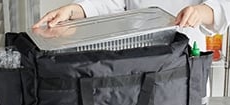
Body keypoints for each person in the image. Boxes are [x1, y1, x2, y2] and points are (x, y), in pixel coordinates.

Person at [32, 0, 230, 49]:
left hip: (183, 57)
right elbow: (113, 2)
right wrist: (73, 9)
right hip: (137, 57)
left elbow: (224, 5)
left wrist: (201, 11)